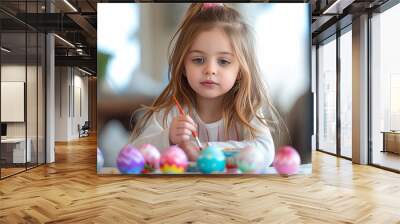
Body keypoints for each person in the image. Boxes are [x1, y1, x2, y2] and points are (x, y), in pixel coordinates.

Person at [131, 3, 280, 166]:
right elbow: (134, 153)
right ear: (183, 67)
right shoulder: (171, 113)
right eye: (198, 60)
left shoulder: (246, 111)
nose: (210, 70)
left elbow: (266, 151)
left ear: (240, 71)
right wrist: (169, 138)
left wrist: (207, 150)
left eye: (223, 61)